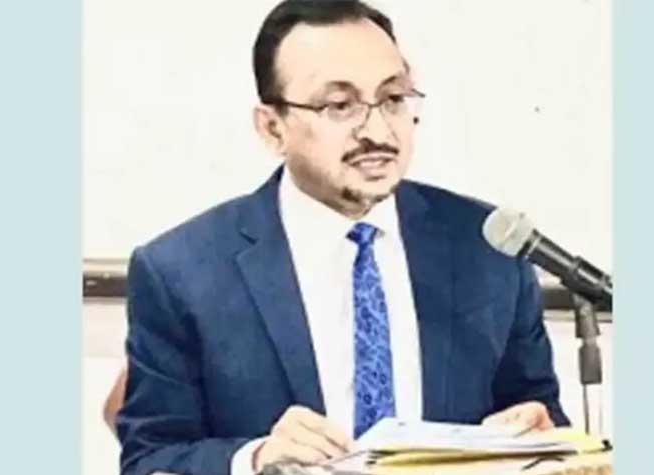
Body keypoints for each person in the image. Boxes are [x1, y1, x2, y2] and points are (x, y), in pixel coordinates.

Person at [113, 1, 569, 474]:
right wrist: (256, 459)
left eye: (393, 98)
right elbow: (150, 458)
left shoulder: (488, 248)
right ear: (272, 128)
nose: (378, 130)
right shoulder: (182, 272)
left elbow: (542, 419)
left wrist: (539, 436)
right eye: (339, 105)